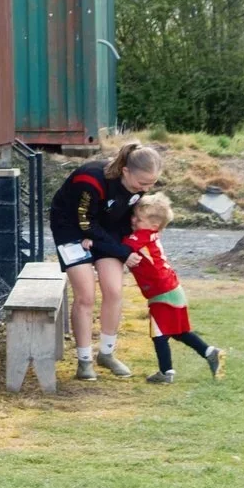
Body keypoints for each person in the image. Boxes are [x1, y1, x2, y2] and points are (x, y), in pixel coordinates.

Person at [48, 141, 162, 380]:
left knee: (113, 290)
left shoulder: (138, 187)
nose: (146, 188)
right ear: (125, 171)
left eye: (152, 183)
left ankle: (107, 353)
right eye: (143, 183)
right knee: (86, 296)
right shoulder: (89, 180)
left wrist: (129, 244)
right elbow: (85, 223)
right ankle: (84, 360)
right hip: (72, 230)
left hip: (104, 231)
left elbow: (122, 221)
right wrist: (121, 252)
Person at [124, 193, 223, 383]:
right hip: (171, 288)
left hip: (163, 291)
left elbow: (123, 246)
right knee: (179, 332)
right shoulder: (150, 234)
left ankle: (166, 372)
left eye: (138, 218)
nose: (133, 220)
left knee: (159, 332)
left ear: (153, 225)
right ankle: (210, 352)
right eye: (134, 216)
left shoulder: (142, 236)